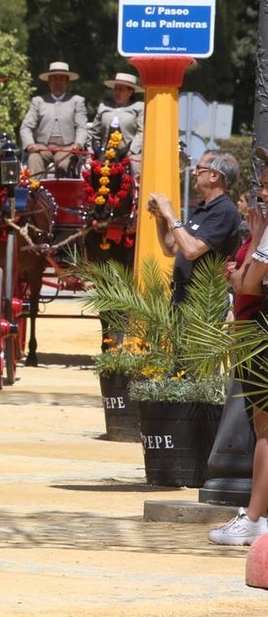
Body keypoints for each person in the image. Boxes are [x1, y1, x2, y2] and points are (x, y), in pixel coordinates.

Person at [213, 171, 268, 545]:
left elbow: (247, 283)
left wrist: (241, 273)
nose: (261, 192)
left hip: (259, 332)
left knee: (265, 432)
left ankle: (254, 516)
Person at [146, 150, 242, 305]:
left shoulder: (225, 211)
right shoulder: (203, 209)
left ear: (214, 176)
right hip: (182, 296)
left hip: (203, 302)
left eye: (199, 169)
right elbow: (171, 248)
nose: (193, 173)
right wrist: (160, 217)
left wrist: (170, 214)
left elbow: (191, 250)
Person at [19, 61, 88, 178]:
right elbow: (25, 127)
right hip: (43, 147)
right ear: (49, 82)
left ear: (67, 81)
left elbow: (82, 127)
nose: (57, 82)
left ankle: (62, 194)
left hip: (67, 148)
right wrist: (30, 144)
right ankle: (36, 193)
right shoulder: (38, 101)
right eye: (54, 78)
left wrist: (78, 144)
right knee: (33, 159)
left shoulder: (76, 101)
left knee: (64, 165)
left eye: (61, 78)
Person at [89, 71, 144, 177]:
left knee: (135, 165)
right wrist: (91, 150)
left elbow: (142, 132)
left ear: (130, 92)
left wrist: (132, 150)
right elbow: (93, 132)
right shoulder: (104, 107)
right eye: (116, 88)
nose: (117, 92)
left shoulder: (139, 107)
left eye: (121, 89)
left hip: (129, 151)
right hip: (105, 151)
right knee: (87, 167)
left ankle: (136, 191)